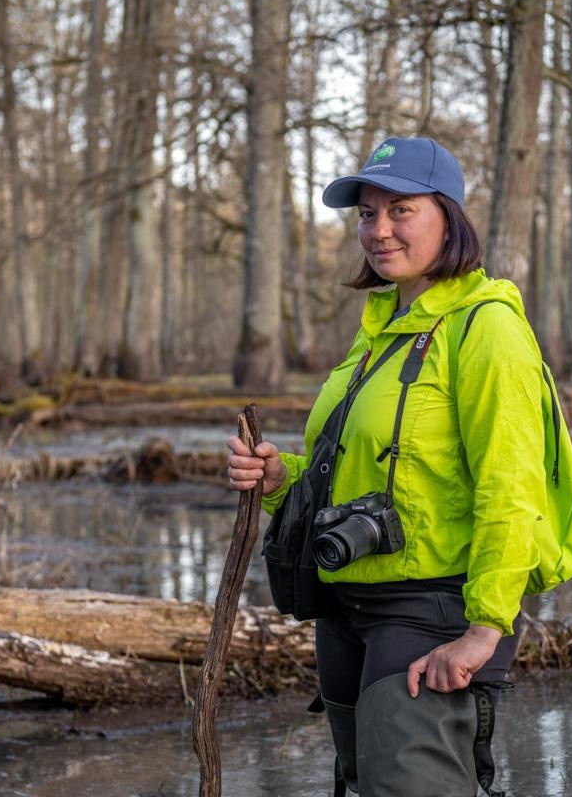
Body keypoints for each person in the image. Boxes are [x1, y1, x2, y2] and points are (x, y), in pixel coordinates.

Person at [227, 137, 546, 796]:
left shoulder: (486, 328)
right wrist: (280, 477)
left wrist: (485, 630)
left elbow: (513, 486)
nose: (378, 230)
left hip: (434, 608)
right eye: (367, 215)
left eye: (401, 210)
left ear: (449, 217)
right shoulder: (381, 325)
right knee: (363, 779)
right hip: (350, 603)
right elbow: (357, 467)